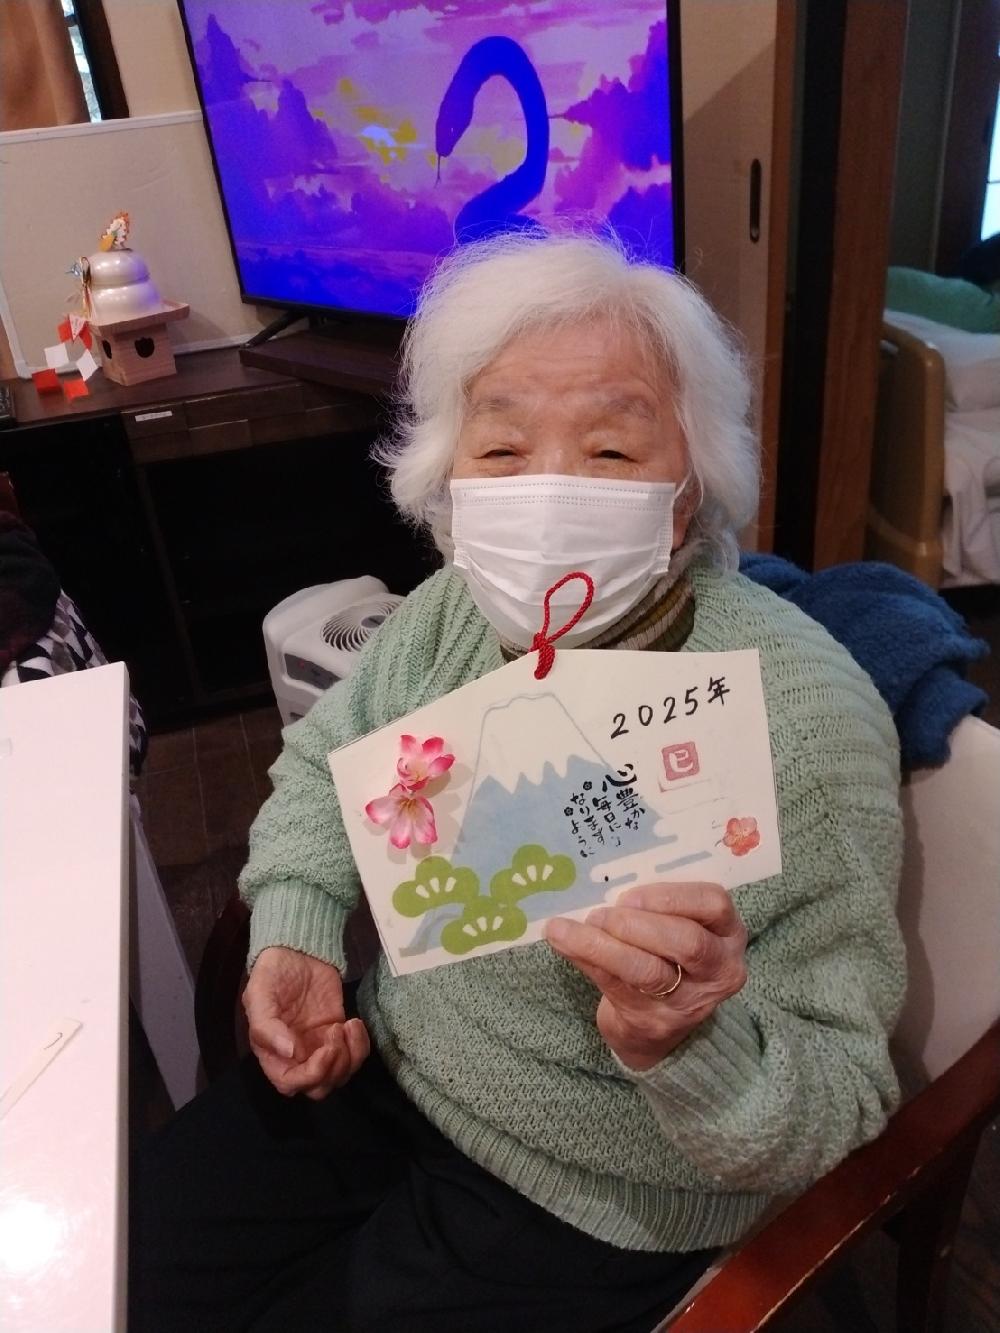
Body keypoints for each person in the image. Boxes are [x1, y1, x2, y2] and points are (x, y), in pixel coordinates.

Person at [130, 232, 906, 1333]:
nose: (546, 492)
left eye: (609, 449)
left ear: (690, 491)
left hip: (606, 1188)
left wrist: (684, 1039)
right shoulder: (449, 614)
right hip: (391, 1063)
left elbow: (843, 1094)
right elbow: (327, 760)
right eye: (500, 448)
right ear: (447, 479)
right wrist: (296, 930)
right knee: (125, 1259)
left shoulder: (805, 719)